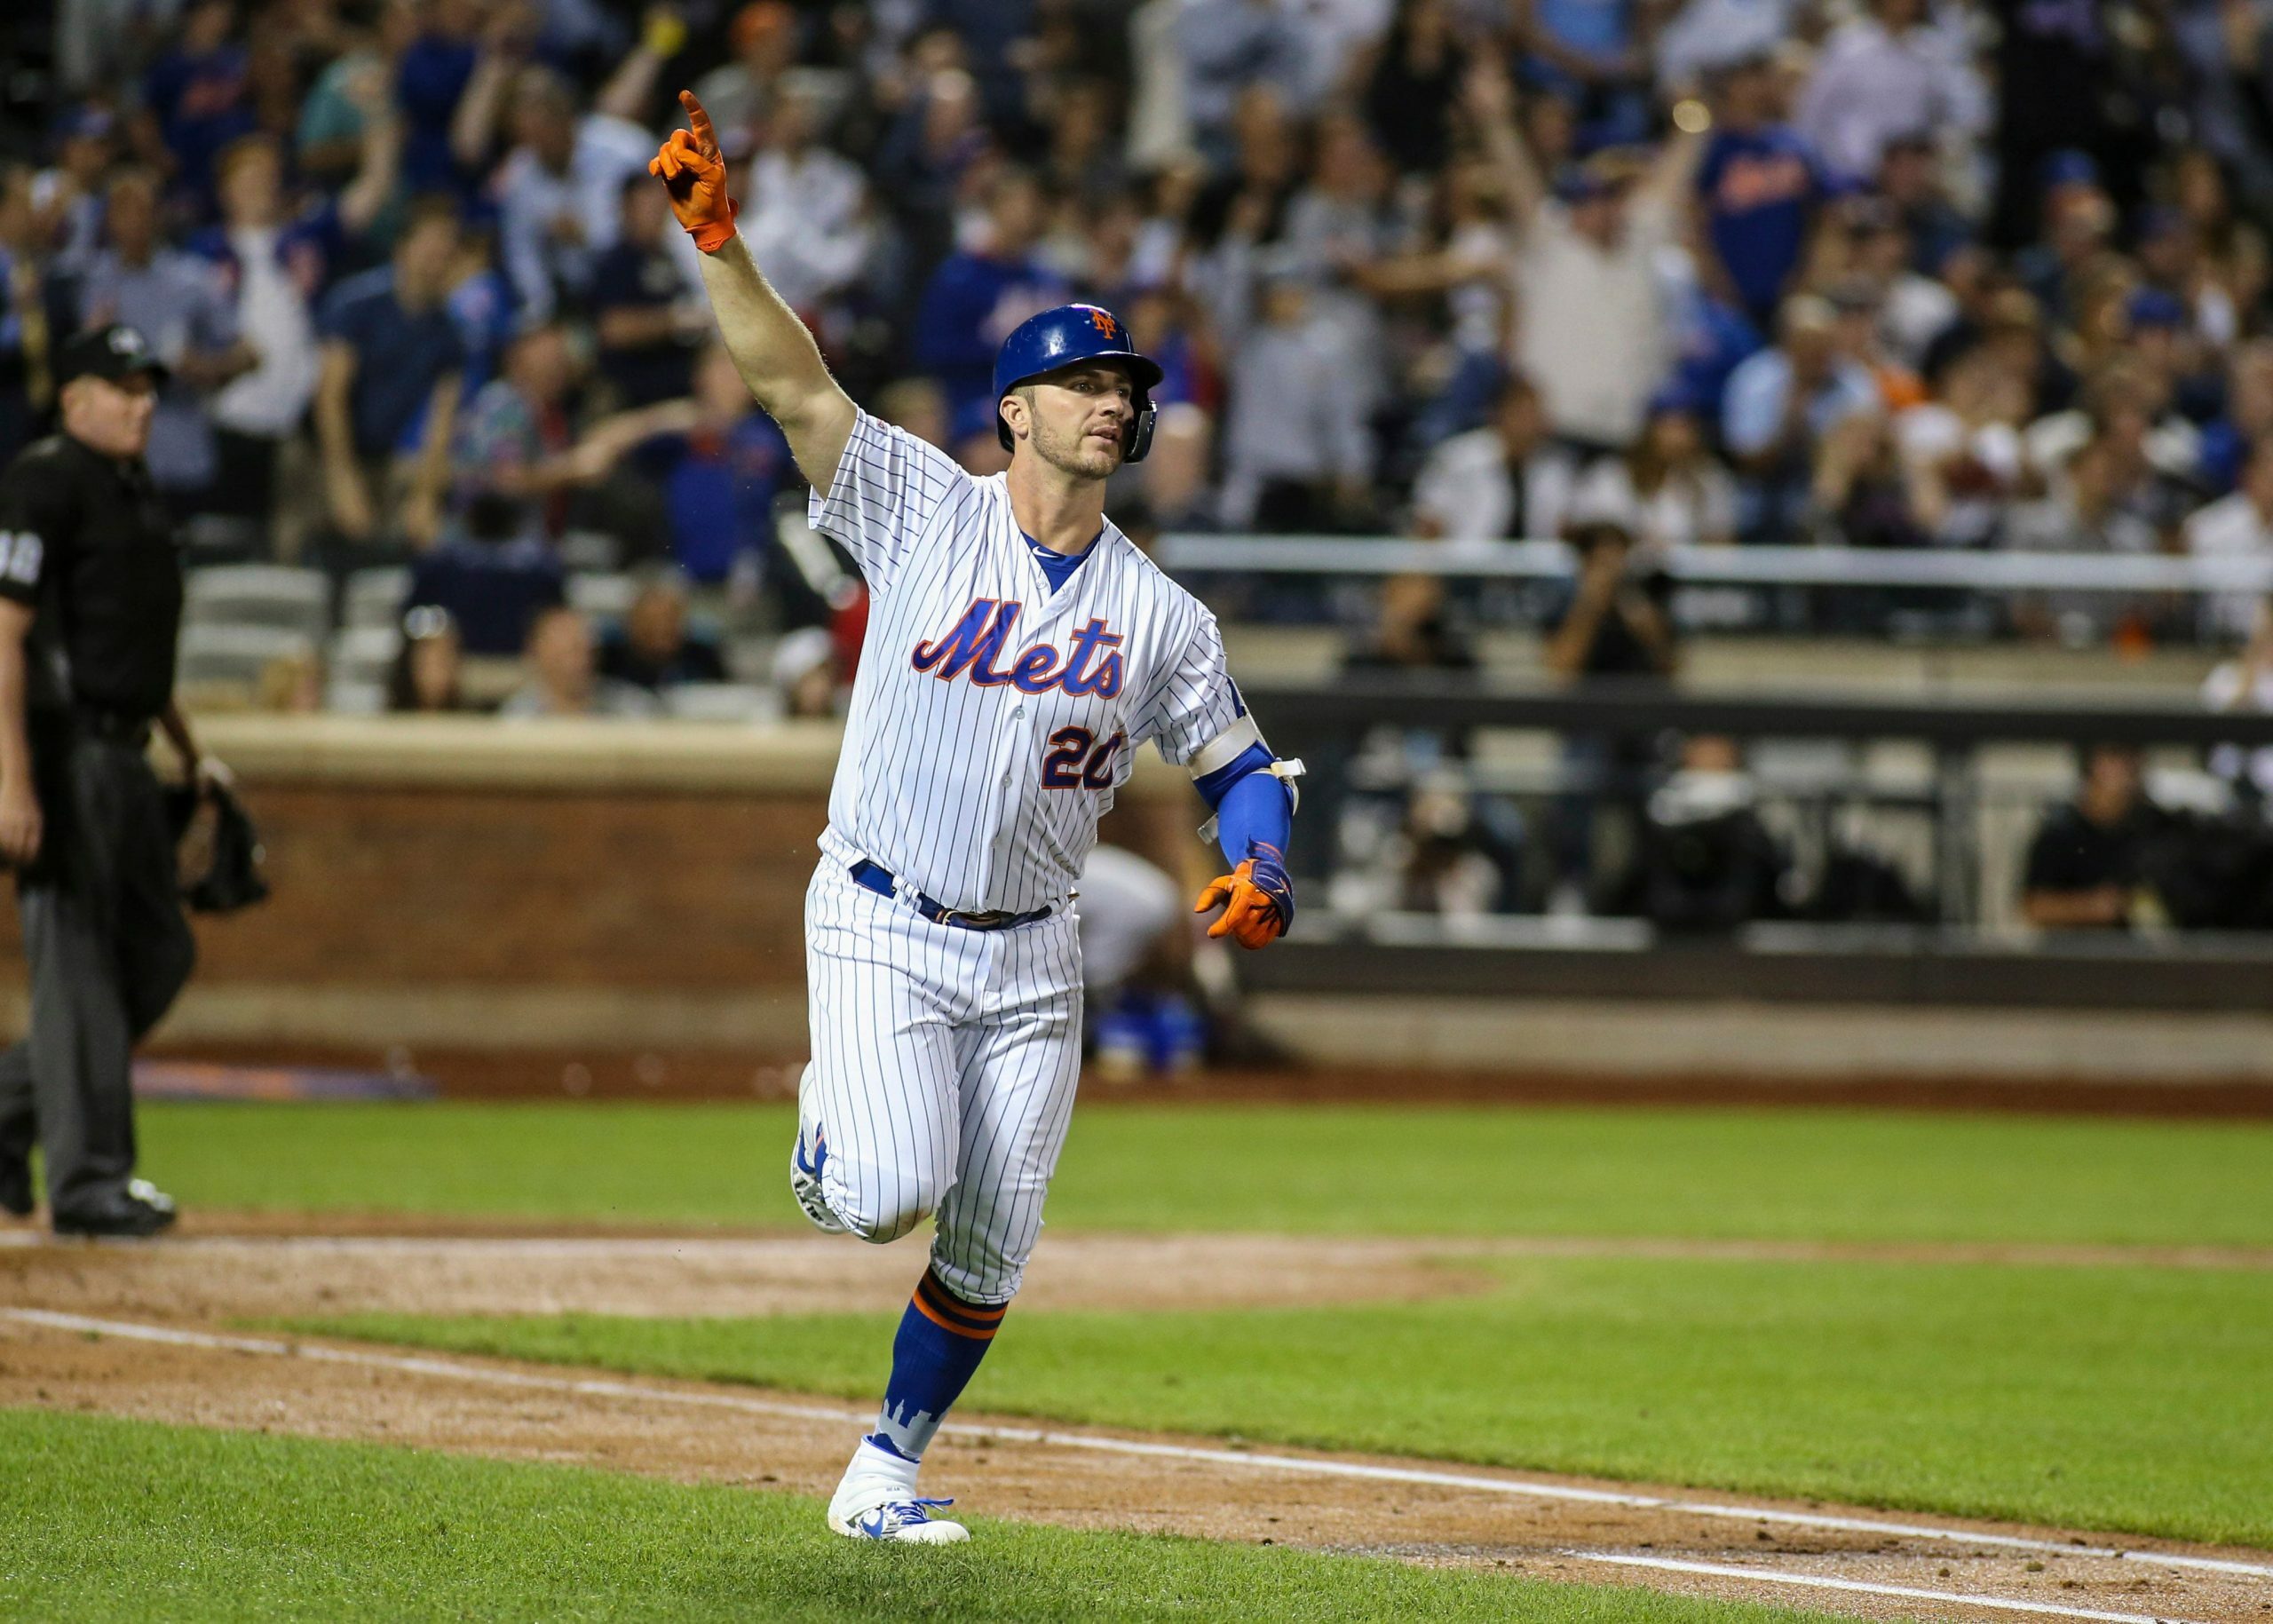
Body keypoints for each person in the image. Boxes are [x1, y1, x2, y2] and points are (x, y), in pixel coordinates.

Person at [651, 92, 1301, 1542]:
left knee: (995, 1244)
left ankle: (884, 1464)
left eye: (1125, 385)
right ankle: (833, 1132)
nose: (1113, 400)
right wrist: (717, 240)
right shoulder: (923, 506)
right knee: (886, 1186)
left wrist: (1264, 855)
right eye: (1084, 382)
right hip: (885, 908)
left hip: (1034, 953)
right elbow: (795, 387)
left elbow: (1239, 758)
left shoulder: (1157, 611)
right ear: (1017, 407)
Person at [0, 325, 225, 1235]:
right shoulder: (42, 481)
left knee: (158, 952)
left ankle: (9, 1107)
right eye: (119, 386)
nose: (139, 402)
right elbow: (3, 636)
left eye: (145, 388)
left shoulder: (130, 487)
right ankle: (91, 1180)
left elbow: (138, 645)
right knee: (81, 967)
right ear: (73, 399)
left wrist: (189, 747)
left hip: (126, 753)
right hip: (63, 755)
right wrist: (11, 781)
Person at [2019, 743, 2167, 931]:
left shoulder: (2154, 827)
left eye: (2133, 757)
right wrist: (2092, 907)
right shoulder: (2061, 832)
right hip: (2077, 951)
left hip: (2142, 953)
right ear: (2091, 765)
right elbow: (2033, 907)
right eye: (2115, 757)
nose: (2127, 768)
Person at [497, 605, 657, 718]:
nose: (577, 662)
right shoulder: (517, 717)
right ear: (534, 653)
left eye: (581, 648)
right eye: (564, 652)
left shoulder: (631, 708)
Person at [596, 568, 729, 691]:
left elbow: (724, 695)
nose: (661, 628)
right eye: (651, 622)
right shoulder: (608, 661)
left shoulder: (703, 657)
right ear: (632, 623)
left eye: (669, 620)